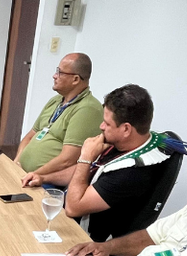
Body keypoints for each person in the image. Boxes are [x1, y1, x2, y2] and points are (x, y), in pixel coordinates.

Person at [64, 84, 170, 243]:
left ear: (126, 129)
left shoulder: (132, 173)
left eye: (107, 123)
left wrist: (85, 157)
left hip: (87, 241)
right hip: (70, 214)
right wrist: (44, 177)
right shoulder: (128, 144)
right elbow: (88, 173)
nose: (101, 127)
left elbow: (73, 208)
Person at [18, 53, 103, 188]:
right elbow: (30, 135)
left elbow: (67, 160)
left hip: (47, 181)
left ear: (75, 79)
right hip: (24, 173)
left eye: (60, 72)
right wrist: (16, 163)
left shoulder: (88, 109)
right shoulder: (55, 101)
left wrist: (33, 174)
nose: (54, 76)